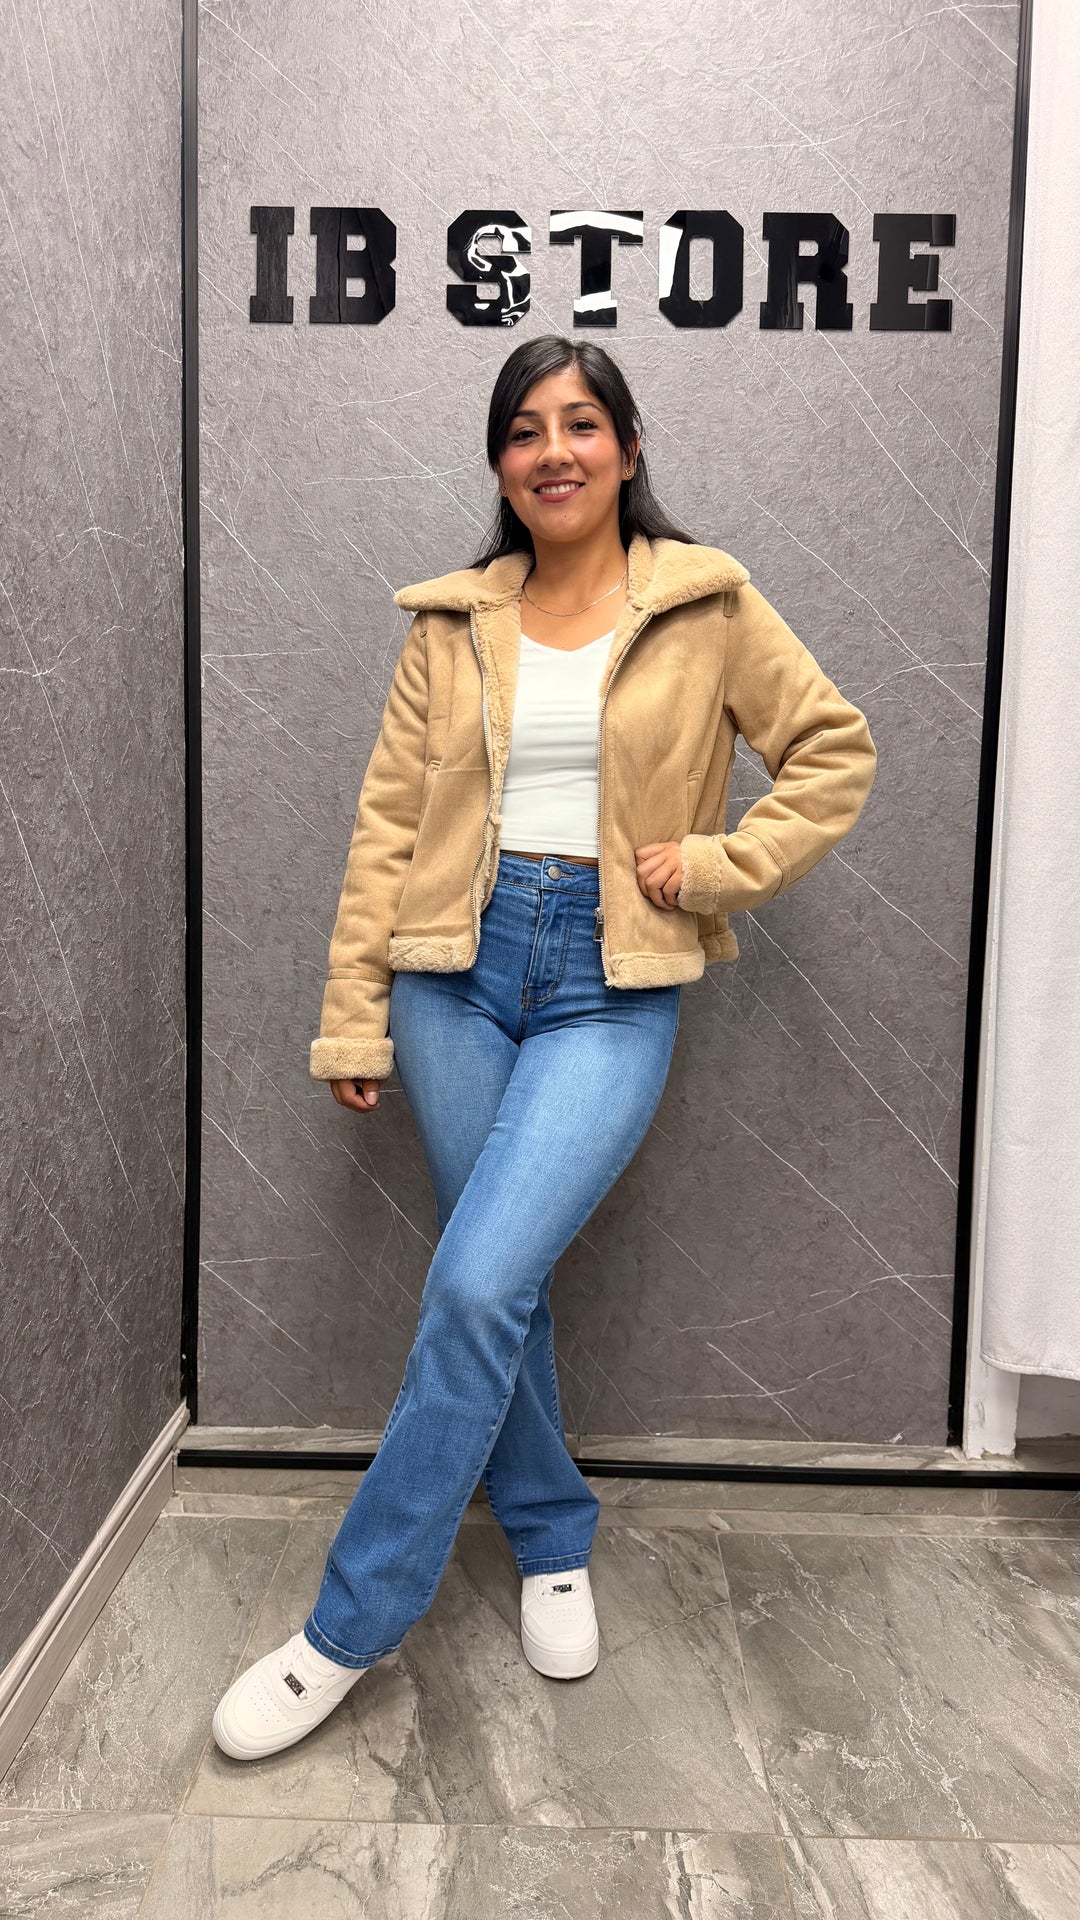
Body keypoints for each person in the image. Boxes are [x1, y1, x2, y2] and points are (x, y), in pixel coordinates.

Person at [212, 335, 877, 1761]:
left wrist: (716, 864)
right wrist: (356, 1008)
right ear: (501, 465)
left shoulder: (707, 603)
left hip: (610, 982)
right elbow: (388, 828)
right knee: (495, 1286)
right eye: (524, 430)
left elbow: (834, 754)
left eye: (581, 424)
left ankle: (344, 1628)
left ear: (627, 450)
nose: (553, 451)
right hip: (453, 974)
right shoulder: (450, 625)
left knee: (475, 1284)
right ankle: (553, 1533)